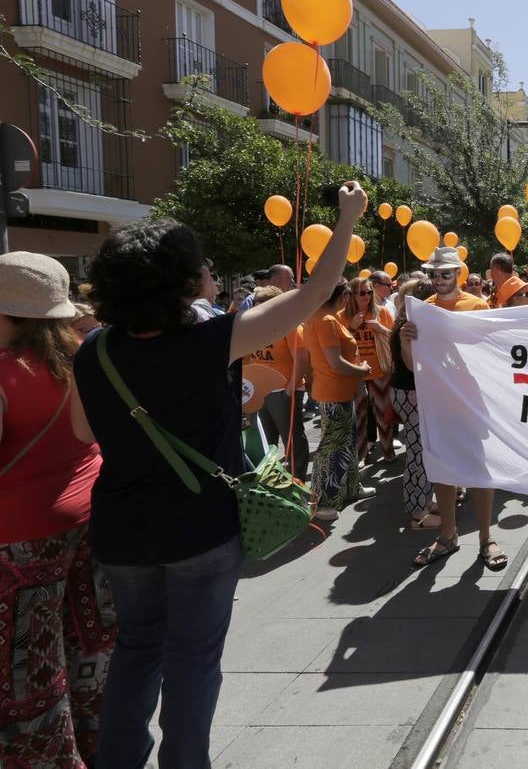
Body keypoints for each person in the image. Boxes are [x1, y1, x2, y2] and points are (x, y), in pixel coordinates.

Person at [74, 180, 368, 768]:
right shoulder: (215, 340)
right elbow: (312, 295)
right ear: (184, 283)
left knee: (135, 652)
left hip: (123, 530)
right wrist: (348, 217)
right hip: (200, 528)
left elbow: (86, 434)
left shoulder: (94, 351)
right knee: (192, 661)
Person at [1, 253, 113, 768]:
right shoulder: (89, 357)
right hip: (92, 520)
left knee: (28, 676)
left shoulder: (5, 374)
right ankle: (105, 750)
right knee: (88, 650)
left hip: (21, 538)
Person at [403, 247, 509, 572]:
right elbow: (412, 367)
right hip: (438, 405)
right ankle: (447, 535)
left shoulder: (477, 306)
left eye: (445, 273)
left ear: (458, 274)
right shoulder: (423, 311)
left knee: (479, 470)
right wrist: (407, 342)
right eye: (434, 274)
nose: (438, 279)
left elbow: (492, 356)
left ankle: (486, 538)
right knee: (442, 471)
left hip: (471, 403)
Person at [305, 281, 375, 520]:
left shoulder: (327, 317)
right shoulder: (325, 320)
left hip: (340, 392)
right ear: (343, 295)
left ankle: (351, 488)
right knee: (331, 448)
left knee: (345, 443)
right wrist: (362, 370)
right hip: (333, 392)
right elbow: (335, 363)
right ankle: (322, 502)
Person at [388, 279, 440, 530]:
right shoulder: (409, 327)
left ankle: (424, 501)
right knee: (418, 454)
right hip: (411, 393)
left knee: (424, 450)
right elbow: (412, 367)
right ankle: (417, 512)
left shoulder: (406, 322)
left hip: (410, 392)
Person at [245, 285, 311, 482]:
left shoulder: (290, 326)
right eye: (254, 304)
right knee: (265, 441)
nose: (255, 309)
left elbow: (301, 361)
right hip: (259, 391)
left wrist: (290, 391)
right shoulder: (254, 326)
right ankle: (271, 482)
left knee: (292, 439)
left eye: (259, 305)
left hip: (283, 390)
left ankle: (297, 482)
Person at [345, 276, 397, 465]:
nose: (366, 296)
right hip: (355, 372)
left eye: (369, 292)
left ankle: (388, 451)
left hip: (380, 370)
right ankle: (361, 455)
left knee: (384, 415)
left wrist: (381, 328)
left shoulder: (382, 312)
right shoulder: (344, 316)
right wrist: (351, 328)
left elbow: (396, 338)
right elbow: (338, 345)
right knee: (359, 417)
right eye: (362, 293)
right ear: (352, 295)